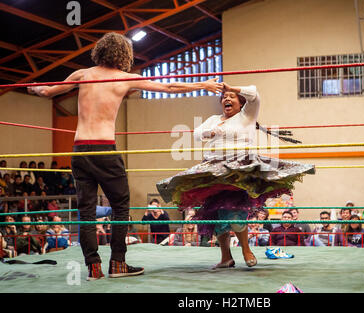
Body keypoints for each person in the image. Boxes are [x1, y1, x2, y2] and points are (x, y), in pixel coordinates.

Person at [28, 32, 222, 280]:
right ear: (123, 55)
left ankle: (93, 268)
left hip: (79, 150)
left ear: (100, 51)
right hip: (104, 149)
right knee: (120, 206)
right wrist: (203, 85)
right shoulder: (125, 78)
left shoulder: (82, 74)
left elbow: (47, 92)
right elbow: (169, 86)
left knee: (86, 211)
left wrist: (31, 87)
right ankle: (118, 263)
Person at [157, 83, 314, 269]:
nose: (227, 99)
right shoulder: (214, 118)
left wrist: (231, 87)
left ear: (240, 102)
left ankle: (246, 250)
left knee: (234, 210)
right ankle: (226, 257)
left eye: (231, 96)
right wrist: (212, 131)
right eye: (224, 97)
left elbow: (255, 94)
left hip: (238, 171)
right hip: (212, 171)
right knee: (215, 212)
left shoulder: (246, 116)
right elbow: (198, 134)